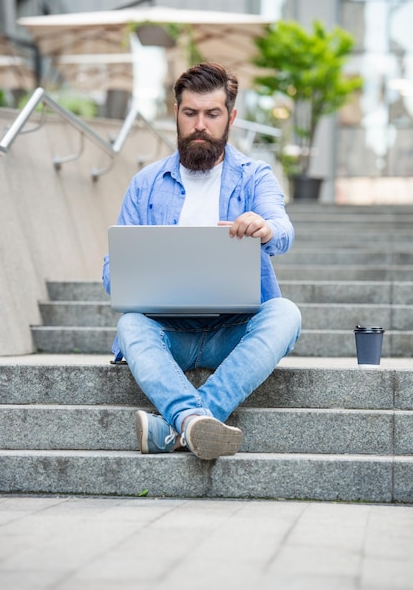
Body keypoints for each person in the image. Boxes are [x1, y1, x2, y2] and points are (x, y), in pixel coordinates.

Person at [102, 62, 301, 461]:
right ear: (175, 113)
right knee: (130, 326)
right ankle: (197, 422)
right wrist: (130, 271)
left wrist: (264, 227)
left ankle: (180, 422)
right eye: (190, 113)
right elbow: (113, 273)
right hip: (166, 333)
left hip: (232, 333)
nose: (200, 125)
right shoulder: (146, 183)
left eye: (212, 114)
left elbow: (282, 227)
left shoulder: (254, 176)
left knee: (285, 314)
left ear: (231, 116)